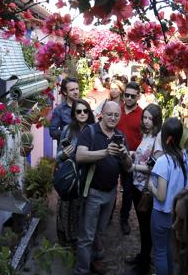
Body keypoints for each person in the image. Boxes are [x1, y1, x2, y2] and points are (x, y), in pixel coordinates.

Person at [74, 101, 132, 275]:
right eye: (109, 114)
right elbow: (80, 155)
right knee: (87, 235)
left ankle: (96, 258)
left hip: (111, 192)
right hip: (92, 192)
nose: (113, 118)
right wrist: (105, 152)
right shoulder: (90, 131)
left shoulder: (120, 136)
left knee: (101, 230)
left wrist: (124, 156)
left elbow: (128, 167)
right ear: (102, 114)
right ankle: (82, 270)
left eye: (116, 115)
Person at [147, 117, 188, 275]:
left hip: (161, 213)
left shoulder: (163, 161)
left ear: (165, 136)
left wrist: (150, 186)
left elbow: (160, 195)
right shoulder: (185, 158)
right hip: (178, 214)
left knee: (159, 252)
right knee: (170, 250)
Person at [124, 104, 163, 275]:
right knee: (142, 226)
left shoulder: (159, 139)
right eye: (145, 117)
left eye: (150, 118)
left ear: (157, 120)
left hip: (146, 189)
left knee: (146, 228)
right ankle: (142, 256)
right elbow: (143, 156)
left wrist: (132, 167)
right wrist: (132, 153)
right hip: (137, 185)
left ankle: (144, 264)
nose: (146, 121)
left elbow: (155, 168)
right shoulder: (147, 134)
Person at [55, 99, 96, 248]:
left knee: (84, 211)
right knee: (67, 208)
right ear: (74, 114)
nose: (82, 114)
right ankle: (68, 240)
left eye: (85, 111)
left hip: (87, 177)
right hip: (70, 176)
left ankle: (82, 242)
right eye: (79, 111)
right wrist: (63, 155)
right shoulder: (67, 129)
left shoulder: (94, 130)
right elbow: (58, 156)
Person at [116, 82, 144, 235]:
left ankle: (124, 218)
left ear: (137, 96)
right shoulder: (116, 110)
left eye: (132, 96)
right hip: (113, 155)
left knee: (128, 190)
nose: (129, 98)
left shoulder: (142, 115)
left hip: (130, 158)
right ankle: (106, 215)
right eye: (127, 95)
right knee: (108, 184)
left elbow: (145, 137)